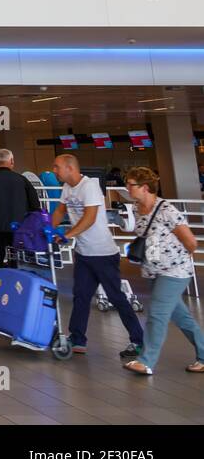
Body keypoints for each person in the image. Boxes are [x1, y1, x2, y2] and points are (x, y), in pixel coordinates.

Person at [48, 153, 143, 357]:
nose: (54, 170)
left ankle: (139, 341)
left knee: (116, 297)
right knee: (81, 295)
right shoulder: (67, 188)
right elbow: (59, 211)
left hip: (103, 253)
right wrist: (45, 229)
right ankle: (78, 339)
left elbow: (90, 218)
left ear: (70, 168)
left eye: (57, 167)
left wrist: (67, 235)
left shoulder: (89, 186)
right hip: (83, 252)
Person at [120, 167, 204, 376]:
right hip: (153, 272)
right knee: (183, 318)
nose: (127, 188)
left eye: (131, 184)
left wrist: (174, 259)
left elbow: (191, 242)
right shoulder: (139, 208)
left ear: (145, 187)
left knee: (157, 313)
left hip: (174, 272)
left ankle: (146, 361)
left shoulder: (167, 210)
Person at [0, 147, 42, 282]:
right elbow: (35, 204)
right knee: (17, 260)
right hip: (19, 229)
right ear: (11, 161)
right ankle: (15, 291)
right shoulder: (22, 180)